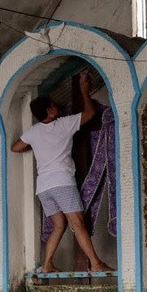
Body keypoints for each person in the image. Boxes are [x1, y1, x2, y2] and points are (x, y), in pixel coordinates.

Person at [11, 71, 112, 274]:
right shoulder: (63, 124)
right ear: (49, 112)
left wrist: (38, 147)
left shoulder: (33, 132)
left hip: (44, 188)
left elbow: (15, 147)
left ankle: (47, 264)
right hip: (62, 182)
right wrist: (84, 91)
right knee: (78, 222)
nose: (57, 108)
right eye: (53, 106)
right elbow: (90, 114)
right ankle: (95, 263)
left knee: (59, 225)